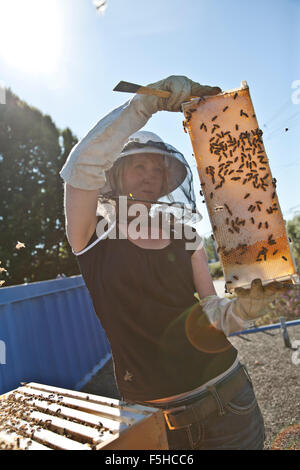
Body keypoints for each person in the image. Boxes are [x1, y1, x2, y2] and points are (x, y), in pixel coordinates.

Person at [60, 75, 289, 450]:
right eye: (140, 168)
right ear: (116, 173)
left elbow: (212, 310)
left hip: (229, 401)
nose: (151, 177)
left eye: (158, 170)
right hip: (152, 424)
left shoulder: (185, 234)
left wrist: (246, 309)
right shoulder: (91, 234)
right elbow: (80, 168)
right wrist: (143, 106)